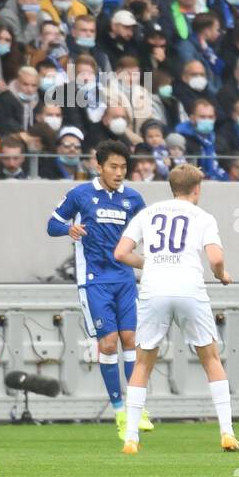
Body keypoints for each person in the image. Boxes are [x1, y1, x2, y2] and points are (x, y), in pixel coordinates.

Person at [112, 164, 239, 455]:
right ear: (197, 189)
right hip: (188, 288)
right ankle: (227, 433)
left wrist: (151, 263)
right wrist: (222, 276)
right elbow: (216, 258)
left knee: (143, 362)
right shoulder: (203, 217)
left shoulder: (147, 213)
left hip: (154, 288)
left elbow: (120, 252)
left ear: (171, 187)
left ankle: (131, 437)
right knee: (210, 358)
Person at [45, 140, 153, 440]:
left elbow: (148, 233)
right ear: (99, 166)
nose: (119, 173)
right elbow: (51, 224)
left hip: (124, 278)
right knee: (108, 344)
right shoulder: (81, 195)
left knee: (131, 339)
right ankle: (119, 411)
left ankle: (136, 407)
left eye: (123, 168)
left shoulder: (133, 199)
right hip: (94, 279)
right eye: (113, 167)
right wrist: (69, 229)